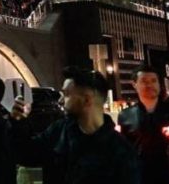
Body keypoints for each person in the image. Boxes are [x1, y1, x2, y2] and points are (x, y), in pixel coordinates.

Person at [11, 67, 139, 184]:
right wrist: (18, 121)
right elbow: (26, 154)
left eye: (66, 94)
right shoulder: (58, 131)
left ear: (87, 99)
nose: (60, 101)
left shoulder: (120, 151)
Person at [117, 64, 169, 184]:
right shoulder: (126, 115)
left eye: (154, 81)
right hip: (137, 175)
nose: (149, 85)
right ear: (134, 84)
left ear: (159, 84)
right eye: (144, 81)